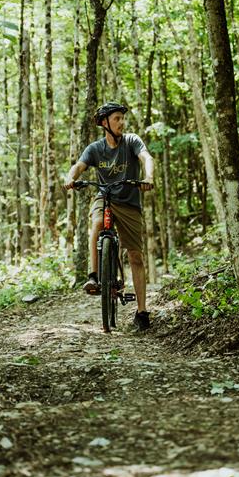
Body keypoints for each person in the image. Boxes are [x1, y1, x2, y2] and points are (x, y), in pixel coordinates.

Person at [64, 102, 154, 331]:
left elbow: (146, 157)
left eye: (122, 118)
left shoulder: (132, 141)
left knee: (135, 256)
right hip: (105, 197)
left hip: (130, 202)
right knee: (96, 223)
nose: (121, 123)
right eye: (117, 118)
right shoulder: (95, 148)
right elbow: (79, 166)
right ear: (105, 123)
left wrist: (149, 176)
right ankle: (94, 276)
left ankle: (142, 312)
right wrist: (70, 177)